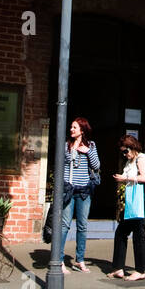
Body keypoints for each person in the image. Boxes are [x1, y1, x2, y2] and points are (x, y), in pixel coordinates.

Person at [109, 135, 145, 281]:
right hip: (131, 203)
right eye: (122, 152)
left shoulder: (141, 158)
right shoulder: (130, 160)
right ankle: (118, 268)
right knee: (121, 233)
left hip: (139, 202)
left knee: (138, 236)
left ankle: (140, 270)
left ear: (133, 147)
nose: (124, 154)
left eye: (126, 151)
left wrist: (125, 178)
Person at [59, 117, 98, 273]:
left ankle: (80, 260)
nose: (71, 130)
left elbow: (97, 165)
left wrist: (87, 152)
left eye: (74, 127)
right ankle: (59, 260)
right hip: (69, 189)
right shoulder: (66, 145)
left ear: (82, 130)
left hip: (84, 191)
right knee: (64, 225)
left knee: (82, 226)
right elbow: (62, 165)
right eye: (71, 127)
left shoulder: (91, 146)